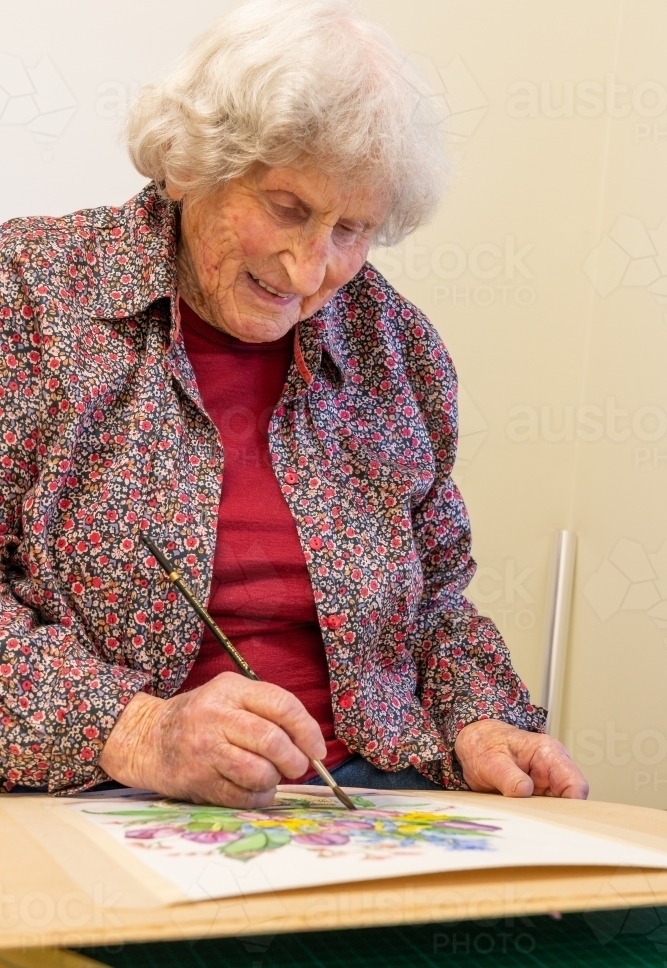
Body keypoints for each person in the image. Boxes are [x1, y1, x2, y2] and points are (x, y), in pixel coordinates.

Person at [0, 0, 587, 806]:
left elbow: (435, 603)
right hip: (102, 791)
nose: (310, 270)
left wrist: (480, 722)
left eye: (352, 229)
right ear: (191, 165)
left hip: (371, 794)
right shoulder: (31, 294)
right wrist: (136, 731)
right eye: (287, 208)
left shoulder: (393, 345)